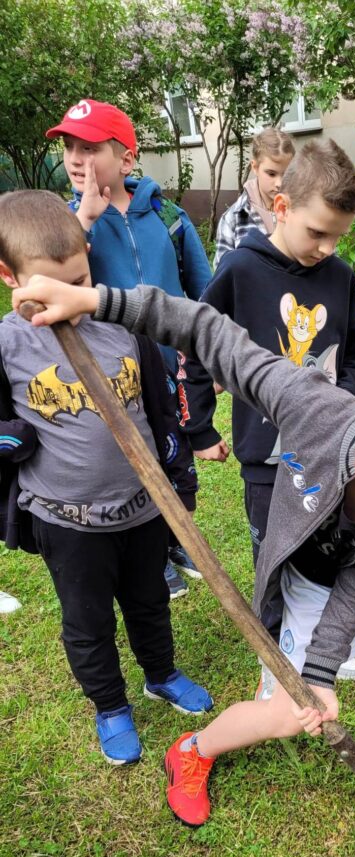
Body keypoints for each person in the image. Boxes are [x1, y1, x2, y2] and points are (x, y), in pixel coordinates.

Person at [14, 277, 355, 828]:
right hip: (314, 576)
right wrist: (96, 302)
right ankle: (192, 750)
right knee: (286, 713)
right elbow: (210, 332)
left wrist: (323, 668)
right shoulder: (312, 409)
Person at [0, 190, 212, 764]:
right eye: (49, 285)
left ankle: (161, 673)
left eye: (78, 278)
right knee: (87, 620)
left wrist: (177, 475)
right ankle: (111, 705)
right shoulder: (7, 344)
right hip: (67, 521)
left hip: (142, 508)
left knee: (149, 600)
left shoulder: (119, 325)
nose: (67, 297)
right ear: (8, 275)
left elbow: (160, 406)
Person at [183, 139, 355, 679]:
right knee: (274, 553)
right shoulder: (241, 270)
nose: (327, 247)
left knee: (325, 548)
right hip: (266, 461)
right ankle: (275, 658)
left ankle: (321, 644)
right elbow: (196, 343)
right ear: (283, 207)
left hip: (325, 455)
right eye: (318, 232)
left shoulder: (340, 276)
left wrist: (338, 401)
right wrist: (198, 426)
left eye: (339, 235)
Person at [46, 98, 213, 598]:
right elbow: (51, 280)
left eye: (90, 147)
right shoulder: (65, 221)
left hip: (169, 365)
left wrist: (209, 352)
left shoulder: (168, 215)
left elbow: (203, 290)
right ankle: (152, 552)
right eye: (69, 147)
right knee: (130, 462)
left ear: (126, 159)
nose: (75, 159)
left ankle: (172, 537)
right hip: (111, 372)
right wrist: (86, 221)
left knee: (175, 455)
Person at [213, 127, 295, 269]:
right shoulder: (233, 219)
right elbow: (224, 279)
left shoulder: (304, 212)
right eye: (271, 174)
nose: (279, 183)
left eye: (286, 174)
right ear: (255, 167)